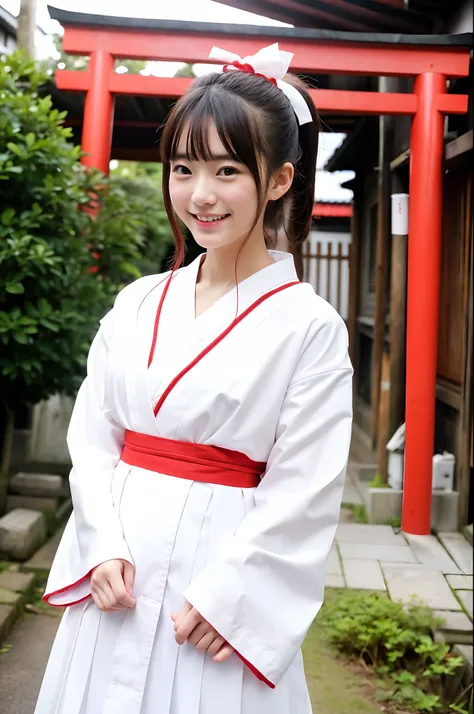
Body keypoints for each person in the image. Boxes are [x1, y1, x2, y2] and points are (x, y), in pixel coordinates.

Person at [34, 43, 353, 714]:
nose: (200, 195)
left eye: (227, 170)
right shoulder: (138, 302)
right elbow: (95, 440)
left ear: (279, 180)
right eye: (183, 169)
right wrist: (100, 544)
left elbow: (306, 488)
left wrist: (233, 600)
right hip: (118, 572)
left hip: (216, 585)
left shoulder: (310, 327)